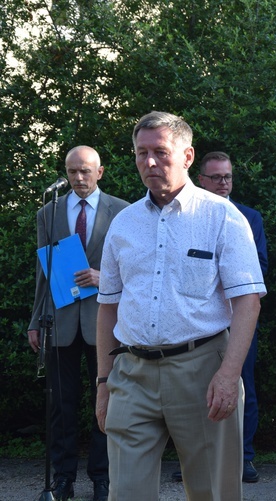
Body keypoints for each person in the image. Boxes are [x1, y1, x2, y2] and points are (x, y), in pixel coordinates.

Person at [95, 111, 265, 499]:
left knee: (212, 492)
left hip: (202, 370)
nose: (149, 162)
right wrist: (104, 383)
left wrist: (228, 374)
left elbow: (248, 301)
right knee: (126, 492)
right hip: (132, 373)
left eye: (160, 151)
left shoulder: (222, 217)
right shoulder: (123, 224)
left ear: (187, 156)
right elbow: (108, 307)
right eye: (141, 153)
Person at [27, 146, 128, 501]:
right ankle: (63, 479)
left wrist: (105, 278)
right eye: (72, 172)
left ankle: (103, 478)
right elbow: (43, 271)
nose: (79, 178)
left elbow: (135, 269)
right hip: (60, 322)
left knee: (109, 400)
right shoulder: (48, 211)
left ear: (100, 172)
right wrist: (35, 321)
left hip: (106, 320)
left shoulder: (124, 211)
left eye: (85, 171)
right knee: (61, 406)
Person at [171, 151, 265, 483]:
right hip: (192, 324)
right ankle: (190, 459)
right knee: (187, 392)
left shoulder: (248, 217)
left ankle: (244, 457)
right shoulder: (180, 217)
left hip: (236, 320)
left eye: (228, 177)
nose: (224, 183)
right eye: (217, 178)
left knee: (241, 387)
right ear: (202, 180)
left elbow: (259, 271)